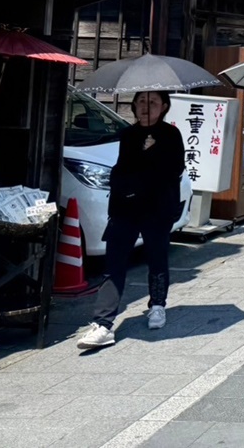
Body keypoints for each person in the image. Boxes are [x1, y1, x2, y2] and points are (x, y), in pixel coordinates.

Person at [77, 91, 185, 350]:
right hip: (126, 208)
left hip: (157, 208)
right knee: (114, 263)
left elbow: (175, 170)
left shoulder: (171, 135)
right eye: (141, 102)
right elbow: (124, 169)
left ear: (165, 107)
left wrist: (151, 153)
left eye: (153, 102)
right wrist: (141, 156)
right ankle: (103, 323)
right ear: (134, 106)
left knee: (157, 258)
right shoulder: (127, 135)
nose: (146, 107)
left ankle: (157, 305)